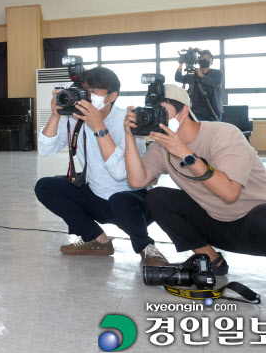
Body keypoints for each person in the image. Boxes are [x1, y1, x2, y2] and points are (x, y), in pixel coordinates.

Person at [123, 84, 266, 301]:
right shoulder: (161, 147)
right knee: (157, 197)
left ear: (183, 111)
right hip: (217, 224)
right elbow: (137, 180)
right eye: (149, 112)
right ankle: (211, 260)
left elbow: (229, 193)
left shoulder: (224, 134)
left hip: (261, 228)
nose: (154, 119)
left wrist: (186, 153)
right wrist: (130, 136)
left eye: (161, 112)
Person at [35, 67, 169, 266]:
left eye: (94, 92)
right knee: (46, 187)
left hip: (130, 201)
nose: (88, 97)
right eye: (85, 91)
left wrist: (99, 127)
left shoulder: (129, 120)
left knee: (119, 200)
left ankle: (146, 247)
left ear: (112, 95)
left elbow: (121, 174)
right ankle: (97, 240)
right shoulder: (74, 118)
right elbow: (45, 150)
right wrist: (56, 115)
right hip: (95, 194)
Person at [175, 49, 223, 121]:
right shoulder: (194, 74)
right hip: (198, 112)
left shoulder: (217, 73)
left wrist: (201, 76)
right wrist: (181, 64)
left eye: (207, 58)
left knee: (213, 132)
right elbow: (178, 78)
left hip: (214, 112)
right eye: (202, 57)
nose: (205, 59)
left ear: (211, 62)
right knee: (199, 132)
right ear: (198, 60)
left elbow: (216, 83)